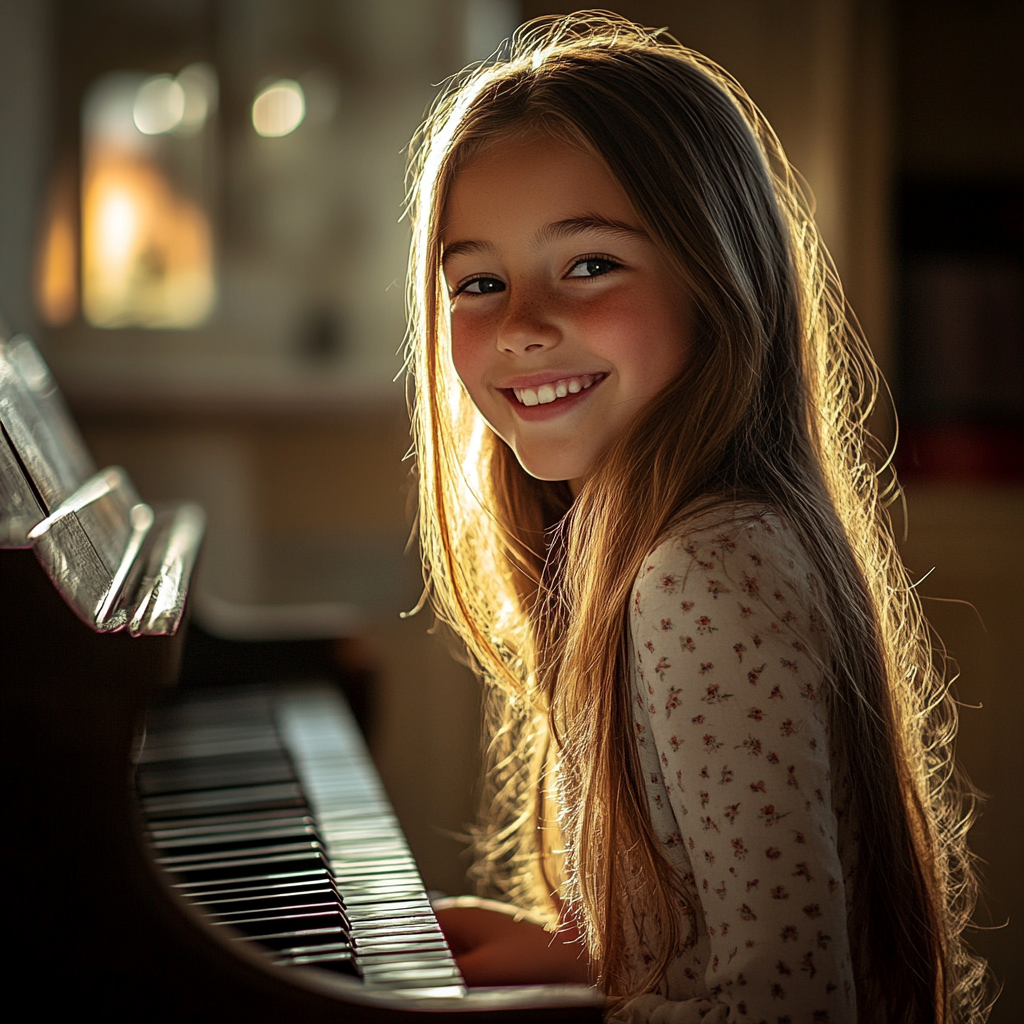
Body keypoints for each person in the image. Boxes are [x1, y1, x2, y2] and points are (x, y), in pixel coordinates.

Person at [403, 12, 989, 1023]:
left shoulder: (698, 573)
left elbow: (795, 1003)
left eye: (588, 265)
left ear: (718, 280)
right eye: (480, 283)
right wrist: (570, 961)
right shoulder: (652, 546)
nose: (524, 325)